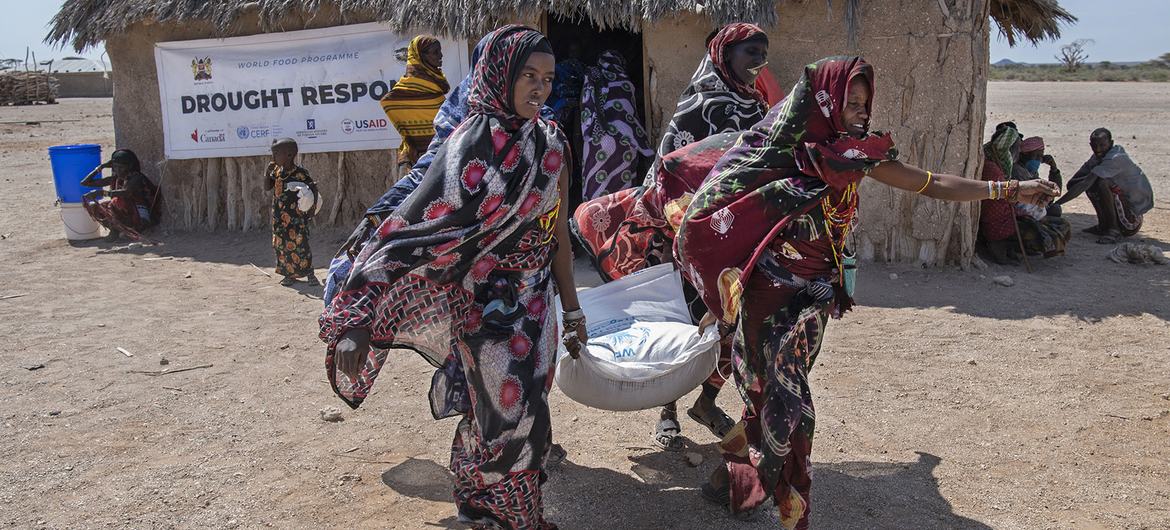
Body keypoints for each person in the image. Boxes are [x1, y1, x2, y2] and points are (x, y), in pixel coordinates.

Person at [673, 56, 1057, 527]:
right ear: (825, 100)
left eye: (863, 102)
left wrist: (1010, 189)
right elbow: (723, 205)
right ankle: (754, 486)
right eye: (849, 101)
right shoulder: (778, 151)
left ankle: (740, 479)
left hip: (814, 298)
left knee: (782, 396)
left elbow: (931, 185)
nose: (858, 110)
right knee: (780, 399)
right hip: (767, 301)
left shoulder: (857, 154)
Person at [320, 26, 584, 529]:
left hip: (536, 304)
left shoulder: (552, 143)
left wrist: (571, 310)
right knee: (512, 415)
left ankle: (480, 503)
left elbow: (558, 237)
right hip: (482, 303)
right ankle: (512, 517)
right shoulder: (472, 146)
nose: (539, 89)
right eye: (528, 75)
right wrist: (358, 319)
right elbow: (408, 232)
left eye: (548, 79)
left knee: (518, 408)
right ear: (498, 75)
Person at [572, 22, 772, 452]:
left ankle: (708, 400)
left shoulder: (758, 108)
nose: (759, 61)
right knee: (683, 324)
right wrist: (668, 233)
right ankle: (669, 410)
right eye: (750, 52)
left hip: (737, 237)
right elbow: (665, 171)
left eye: (763, 52)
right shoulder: (699, 105)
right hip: (689, 235)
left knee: (730, 324)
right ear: (724, 54)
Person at [978, 123, 1070, 264]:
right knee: (1040, 230)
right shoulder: (997, 169)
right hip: (999, 221)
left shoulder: (1004, 167)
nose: (1016, 153)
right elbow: (999, 201)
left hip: (1012, 214)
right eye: (1015, 148)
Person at [578, 50, 655, 202]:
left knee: (595, 186)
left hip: (596, 141)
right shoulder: (624, 81)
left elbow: (585, 109)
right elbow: (630, 116)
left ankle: (592, 220)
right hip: (624, 143)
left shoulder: (591, 77)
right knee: (622, 192)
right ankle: (619, 221)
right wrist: (645, 148)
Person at [1056, 128, 1154, 244]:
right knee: (1093, 181)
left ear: (1111, 143)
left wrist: (1057, 204)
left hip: (1131, 219)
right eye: (1094, 145)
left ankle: (1113, 229)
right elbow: (1073, 184)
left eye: (1102, 145)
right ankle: (1103, 226)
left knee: (1101, 182)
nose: (1097, 149)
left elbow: (1084, 183)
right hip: (1122, 208)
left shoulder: (1115, 158)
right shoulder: (1097, 157)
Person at [381, 35, 450, 169]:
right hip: (416, 160)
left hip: (442, 156)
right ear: (421, 56)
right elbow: (388, 102)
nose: (440, 55)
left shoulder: (437, 84)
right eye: (435, 52)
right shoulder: (405, 89)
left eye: (440, 51)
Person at [264, 138, 320, 287]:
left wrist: (311, 210)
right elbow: (267, 187)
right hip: (279, 217)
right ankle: (289, 274)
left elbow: (313, 189)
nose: (273, 158)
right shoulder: (276, 171)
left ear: (289, 155)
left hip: (296, 218)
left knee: (301, 245)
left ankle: (309, 273)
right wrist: (267, 173)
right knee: (281, 245)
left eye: (276, 154)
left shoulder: (300, 173)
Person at [80, 149, 159, 241]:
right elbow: (85, 182)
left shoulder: (136, 177)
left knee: (116, 202)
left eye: (121, 167)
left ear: (129, 166)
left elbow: (126, 192)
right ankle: (115, 231)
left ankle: (133, 231)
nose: (118, 170)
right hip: (126, 213)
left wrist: (103, 193)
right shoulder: (116, 178)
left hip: (140, 216)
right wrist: (102, 167)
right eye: (115, 167)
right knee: (96, 207)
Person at [1017, 135, 1063, 217]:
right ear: (1023, 155)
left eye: (1041, 157)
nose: (1038, 160)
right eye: (1036, 156)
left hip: (1033, 205)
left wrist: (1054, 169)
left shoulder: (1031, 172)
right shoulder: (1018, 171)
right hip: (1022, 208)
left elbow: (1055, 192)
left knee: (1055, 209)